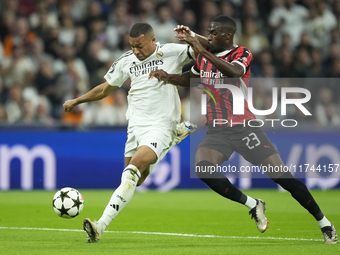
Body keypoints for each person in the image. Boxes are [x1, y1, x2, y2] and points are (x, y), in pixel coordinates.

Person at [149, 15, 338, 244]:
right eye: (207, 31)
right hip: (217, 131)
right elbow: (190, 77)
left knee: (283, 177)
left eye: (213, 32)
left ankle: (325, 223)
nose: (208, 36)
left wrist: (200, 47)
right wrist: (167, 77)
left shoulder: (242, 53)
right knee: (204, 169)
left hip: (244, 128)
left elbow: (234, 72)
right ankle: (253, 204)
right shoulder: (204, 59)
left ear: (227, 35)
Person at [63, 22, 196, 243]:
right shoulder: (126, 60)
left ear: (153, 40)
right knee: (136, 180)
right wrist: (78, 100)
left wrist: (192, 36)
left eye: (140, 46)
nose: (136, 50)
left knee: (131, 171)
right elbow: (105, 88)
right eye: (132, 46)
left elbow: (204, 48)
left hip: (161, 123)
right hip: (135, 125)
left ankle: (100, 226)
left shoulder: (172, 52)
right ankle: (175, 137)